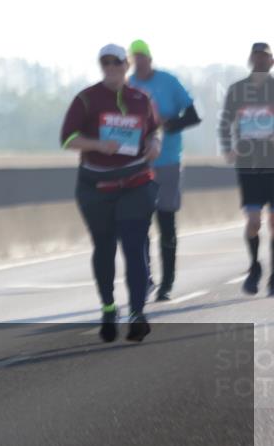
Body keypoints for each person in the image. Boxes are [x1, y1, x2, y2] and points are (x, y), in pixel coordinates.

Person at [60, 44, 161, 343]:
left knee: (134, 247)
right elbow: (67, 139)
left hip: (136, 181)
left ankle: (138, 315)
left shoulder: (141, 99)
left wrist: (155, 144)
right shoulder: (87, 99)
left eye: (117, 62)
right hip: (96, 186)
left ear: (126, 65)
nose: (111, 67)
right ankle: (108, 308)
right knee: (104, 248)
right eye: (105, 63)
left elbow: (154, 130)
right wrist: (97, 145)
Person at [127, 40, 201, 301]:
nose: (139, 62)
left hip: (168, 162)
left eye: (143, 57)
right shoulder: (128, 86)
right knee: (139, 225)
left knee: (166, 224)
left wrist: (170, 124)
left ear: (150, 58)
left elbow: (193, 115)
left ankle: (167, 283)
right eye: (135, 58)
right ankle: (145, 278)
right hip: (138, 164)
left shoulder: (169, 82)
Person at [218, 41, 274, 296]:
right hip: (249, 166)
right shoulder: (237, 90)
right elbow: (225, 122)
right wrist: (228, 148)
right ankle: (254, 267)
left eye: (266, 58)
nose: (261, 61)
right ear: (251, 60)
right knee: (253, 223)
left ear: (271, 62)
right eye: (257, 57)